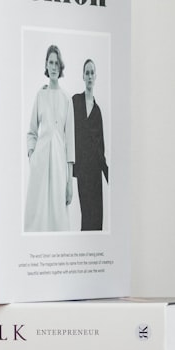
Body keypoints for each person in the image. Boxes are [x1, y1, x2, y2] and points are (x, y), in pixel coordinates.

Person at [24, 45, 75, 231]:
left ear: (60, 67)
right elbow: (31, 132)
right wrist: (32, 155)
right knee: (37, 221)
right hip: (40, 167)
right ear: (46, 65)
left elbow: (70, 145)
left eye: (56, 63)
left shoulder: (66, 100)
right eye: (50, 62)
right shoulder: (40, 95)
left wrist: (70, 183)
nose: (53, 66)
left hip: (60, 169)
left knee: (59, 222)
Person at [72, 59, 109, 230]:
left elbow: (101, 149)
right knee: (86, 217)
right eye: (86, 72)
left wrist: (109, 175)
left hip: (95, 174)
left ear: (96, 77)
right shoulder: (75, 102)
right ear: (82, 76)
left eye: (92, 72)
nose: (89, 76)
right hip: (82, 172)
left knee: (96, 219)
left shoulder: (98, 111)